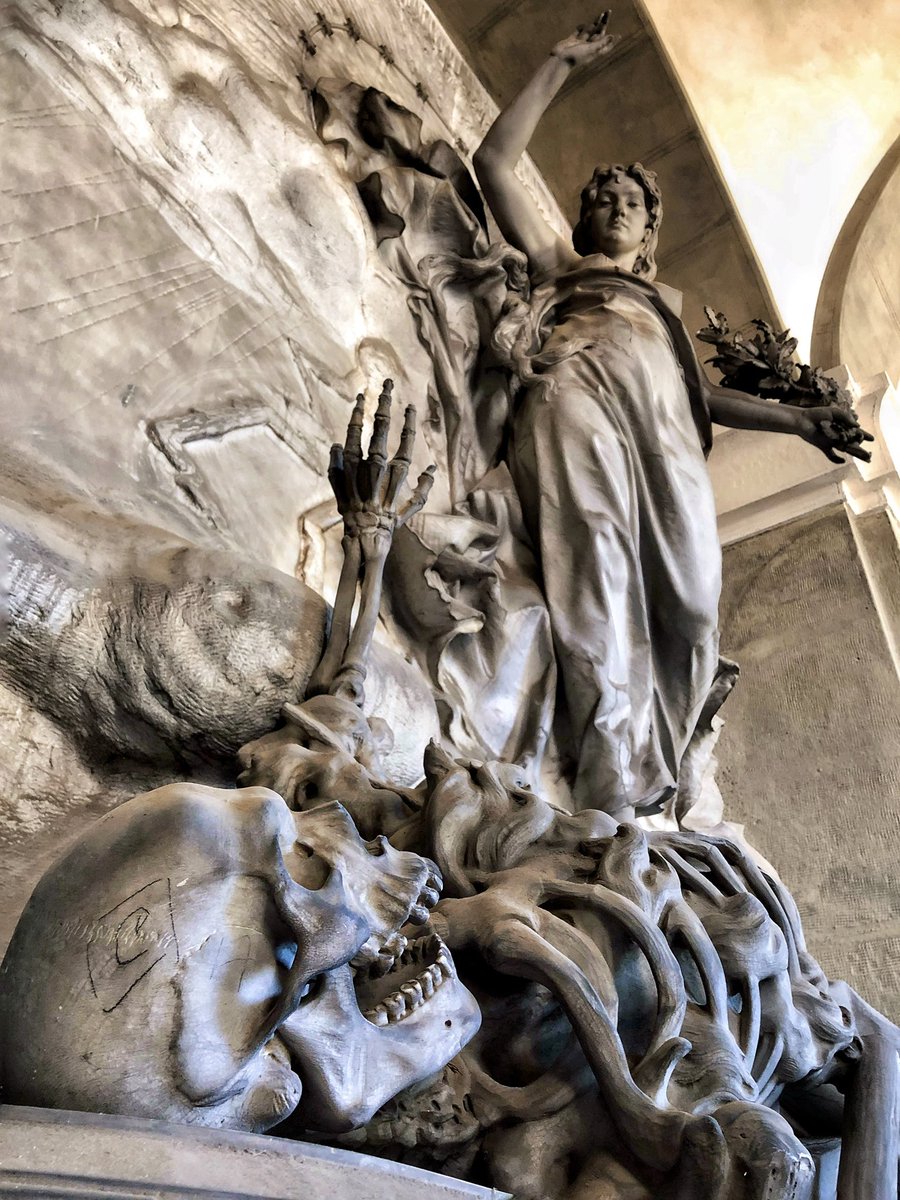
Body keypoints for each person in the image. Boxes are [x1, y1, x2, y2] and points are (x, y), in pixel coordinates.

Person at [473, 13, 871, 818]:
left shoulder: (663, 309)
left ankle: (655, 779)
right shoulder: (563, 267)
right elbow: (495, 162)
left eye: (631, 203)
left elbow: (695, 394)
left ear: (650, 234)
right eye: (602, 197)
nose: (615, 206)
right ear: (583, 218)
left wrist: (795, 422)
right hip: (574, 399)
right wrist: (558, 63)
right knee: (595, 564)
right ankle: (605, 777)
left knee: (691, 614)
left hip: (668, 443)